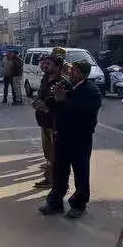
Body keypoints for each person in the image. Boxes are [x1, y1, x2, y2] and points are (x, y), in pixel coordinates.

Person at [39, 60, 102, 219]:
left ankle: (79, 204)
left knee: (81, 172)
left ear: (83, 74)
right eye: (71, 70)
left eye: (74, 71)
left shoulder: (91, 91)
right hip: (61, 136)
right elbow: (56, 103)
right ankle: (55, 202)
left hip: (80, 139)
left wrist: (64, 99)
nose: (70, 73)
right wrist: (46, 103)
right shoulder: (67, 86)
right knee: (59, 170)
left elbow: (82, 111)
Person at [32, 55, 70, 189]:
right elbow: (42, 96)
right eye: (42, 63)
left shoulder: (62, 83)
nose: (44, 66)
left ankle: (54, 181)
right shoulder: (45, 78)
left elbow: (64, 105)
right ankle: (50, 178)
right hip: (44, 122)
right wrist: (37, 102)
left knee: (56, 154)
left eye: (48, 63)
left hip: (55, 123)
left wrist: (47, 108)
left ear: (58, 66)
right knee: (48, 153)